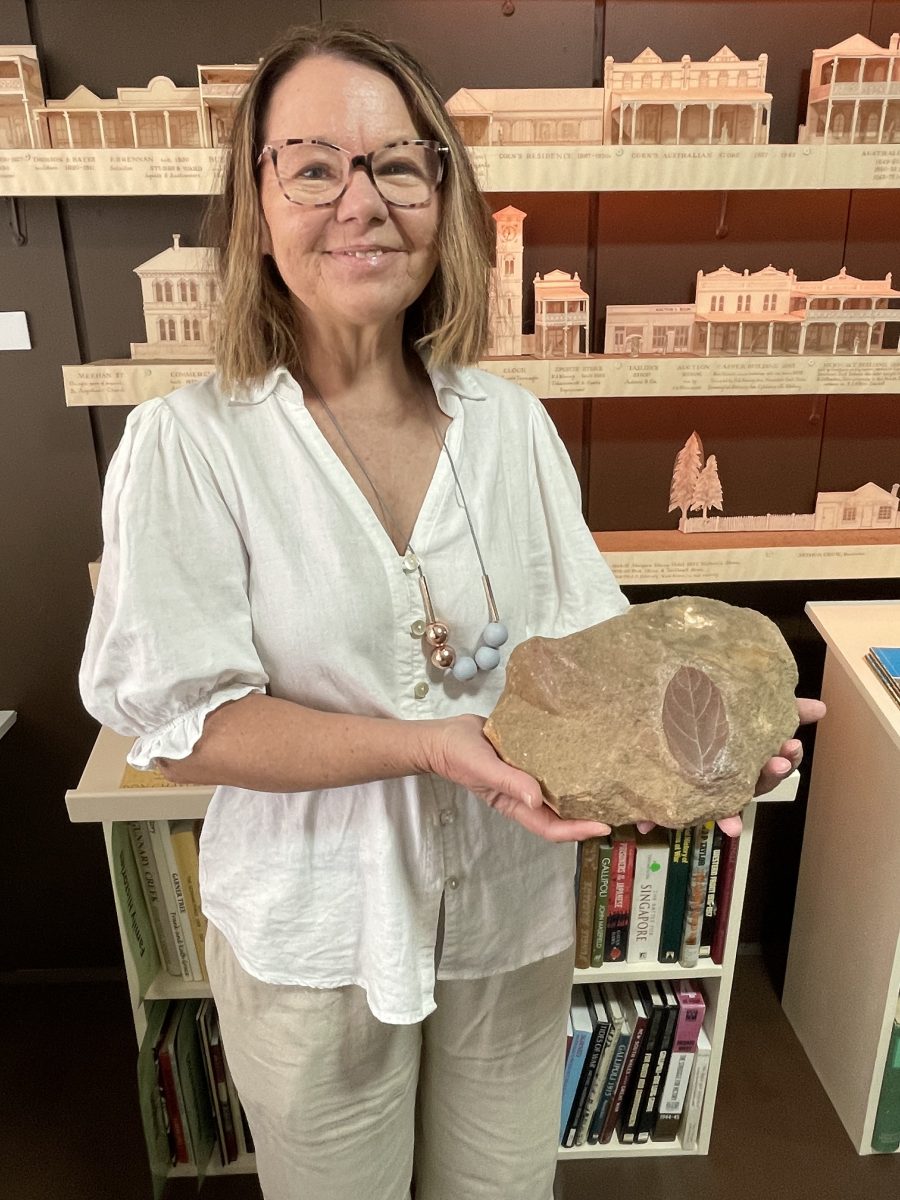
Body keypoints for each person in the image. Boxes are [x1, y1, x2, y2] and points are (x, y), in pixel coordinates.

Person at [79, 22, 823, 1200]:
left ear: (445, 194)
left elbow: (591, 663)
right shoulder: (192, 444)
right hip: (316, 939)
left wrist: (699, 742)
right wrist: (430, 744)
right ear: (257, 199)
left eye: (399, 163)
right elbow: (185, 726)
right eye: (314, 165)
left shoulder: (512, 427)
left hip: (506, 928)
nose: (360, 200)